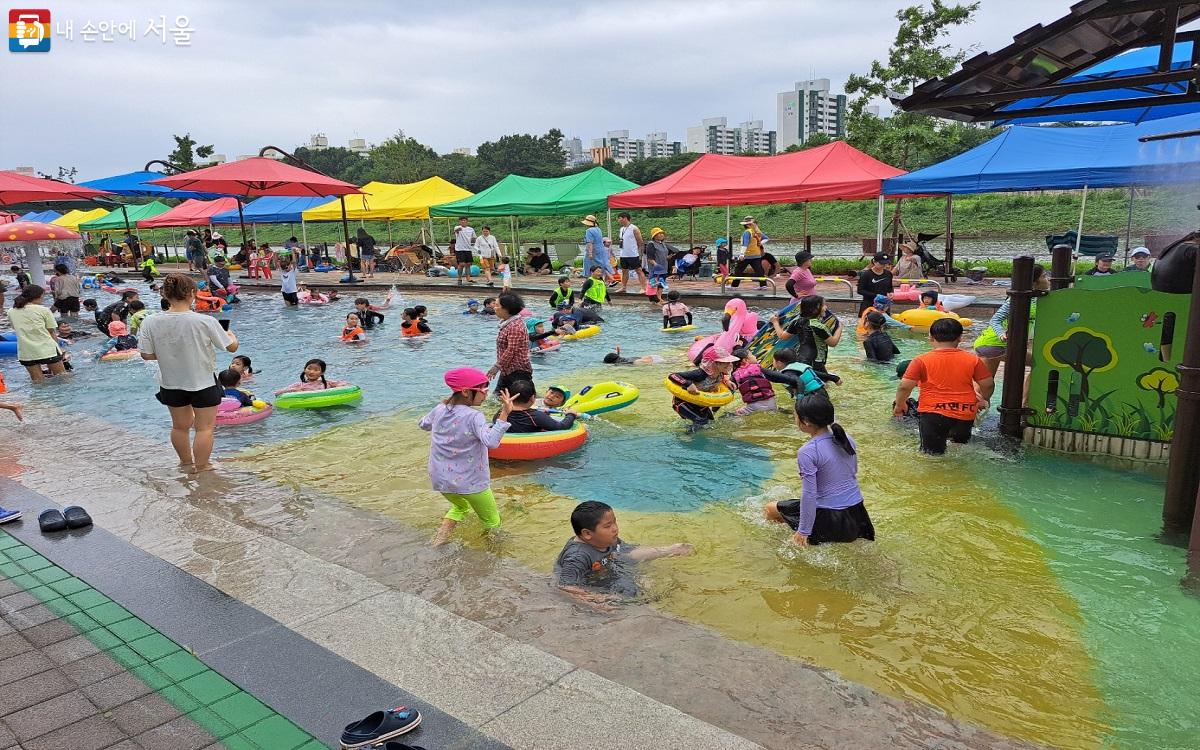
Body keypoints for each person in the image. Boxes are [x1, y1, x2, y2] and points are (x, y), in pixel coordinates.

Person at [138, 274, 239, 473]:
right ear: (193, 294)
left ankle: (185, 463)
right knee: (204, 428)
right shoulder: (204, 321)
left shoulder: (150, 321)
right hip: (203, 382)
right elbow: (231, 348)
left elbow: (147, 355)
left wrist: (170, 353)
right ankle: (202, 467)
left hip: (170, 383)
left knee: (179, 427)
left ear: (165, 294)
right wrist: (231, 336)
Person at [419, 367, 515, 546]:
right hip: (471, 482)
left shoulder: (440, 409)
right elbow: (491, 442)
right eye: (483, 390)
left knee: (460, 507)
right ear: (465, 392)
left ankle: (437, 542)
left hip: (441, 479)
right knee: (492, 521)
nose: (485, 395)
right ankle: (494, 558)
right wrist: (505, 412)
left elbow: (423, 424)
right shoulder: (474, 416)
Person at [763, 394, 875, 546]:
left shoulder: (808, 451)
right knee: (785, 510)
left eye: (796, 416)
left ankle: (784, 543)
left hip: (828, 516)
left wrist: (803, 531)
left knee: (770, 509)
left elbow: (809, 493)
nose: (795, 419)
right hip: (857, 513)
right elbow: (853, 471)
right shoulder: (846, 438)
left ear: (806, 422)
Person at [555, 501, 693, 604]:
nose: (615, 529)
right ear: (587, 534)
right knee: (631, 594)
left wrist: (666, 551)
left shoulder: (606, 540)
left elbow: (630, 552)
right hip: (592, 581)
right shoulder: (577, 557)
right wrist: (597, 601)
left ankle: (667, 551)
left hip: (609, 564)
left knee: (637, 569)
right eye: (608, 526)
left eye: (614, 522)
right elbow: (566, 586)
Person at [895, 318, 995, 455]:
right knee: (959, 450)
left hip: (932, 414)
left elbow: (904, 387)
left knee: (932, 456)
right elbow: (988, 384)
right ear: (960, 338)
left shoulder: (921, 360)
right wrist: (984, 398)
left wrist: (900, 405)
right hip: (964, 412)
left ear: (930, 336)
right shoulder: (973, 359)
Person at [973, 264, 1050, 377]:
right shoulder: (1018, 299)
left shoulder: (1037, 298)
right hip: (997, 344)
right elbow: (995, 319)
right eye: (1044, 276)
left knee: (986, 387)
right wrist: (1001, 334)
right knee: (1041, 363)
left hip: (987, 344)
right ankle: (1025, 396)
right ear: (1034, 283)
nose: (1048, 280)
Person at [771, 295, 843, 379]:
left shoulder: (797, 322)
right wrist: (839, 328)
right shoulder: (819, 326)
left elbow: (782, 336)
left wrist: (775, 322)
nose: (826, 308)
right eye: (823, 305)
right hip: (816, 361)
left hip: (800, 359)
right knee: (821, 386)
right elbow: (833, 343)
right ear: (815, 309)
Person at [6, 285, 67, 383]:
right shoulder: (43, 310)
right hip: (47, 349)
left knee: (38, 382)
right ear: (38, 296)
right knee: (63, 378)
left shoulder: (11, 311)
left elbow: (16, 329)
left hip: (26, 352)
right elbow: (51, 332)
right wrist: (59, 349)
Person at [668, 346, 737, 430]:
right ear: (714, 363)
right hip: (682, 403)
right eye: (726, 362)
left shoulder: (720, 374)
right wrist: (688, 384)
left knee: (711, 422)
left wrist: (727, 381)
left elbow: (721, 385)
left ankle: (688, 428)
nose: (730, 364)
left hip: (700, 403)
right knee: (701, 421)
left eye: (729, 361)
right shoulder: (700, 374)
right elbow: (673, 375)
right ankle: (687, 438)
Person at [487, 293, 534, 394]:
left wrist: (496, 366)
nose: (494, 308)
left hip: (517, 371)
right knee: (497, 398)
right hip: (507, 369)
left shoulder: (515, 327)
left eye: (497, 305)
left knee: (524, 399)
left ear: (506, 309)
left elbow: (511, 350)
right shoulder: (508, 323)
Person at [496, 379, 579, 432]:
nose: (552, 396)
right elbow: (562, 427)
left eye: (557, 396)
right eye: (552, 392)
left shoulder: (501, 413)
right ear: (533, 398)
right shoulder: (536, 416)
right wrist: (571, 415)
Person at [770, 347, 835, 398]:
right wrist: (834, 378)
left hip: (810, 397)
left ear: (779, 363)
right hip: (822, 392)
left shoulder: (787, 373)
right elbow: (818, 373)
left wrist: (800, 398)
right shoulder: (801, 366)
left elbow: (800, 382)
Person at [730, 349, 778, 416]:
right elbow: (779, 377)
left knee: (732, 414)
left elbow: (728, 393)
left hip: (752, 409)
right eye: (752, 354)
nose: (754, 356)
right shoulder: (760, 369)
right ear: (745, 360)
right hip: (772, 405)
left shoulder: (735, 376)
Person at [730, 216, 767, 289]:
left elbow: (745, 244)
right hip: (756, 255)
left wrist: (741, 254)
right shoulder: (757, 232)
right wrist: (760, 243)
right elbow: (766, 238)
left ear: (746, 225)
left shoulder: (747, 232)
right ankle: (763, 285)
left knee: (738, 270)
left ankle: (734, 286)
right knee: (759, 271)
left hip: (747, 255)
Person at [275, 359, 349, 394]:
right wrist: (294, 390)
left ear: (322, 373)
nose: (311, 372)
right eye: (309, 368)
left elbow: (345, 385)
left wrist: (333, 390)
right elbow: (277, 393)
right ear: (304, 369)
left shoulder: (328, 383)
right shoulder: (299, 385)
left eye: (316, 370)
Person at [615, 212, 645, 292]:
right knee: (624, 271)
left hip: (633, 254)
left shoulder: (634, 228)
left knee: (638, 270)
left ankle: (643, 288)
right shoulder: (622, 229)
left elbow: (640, 242)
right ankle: (623, 287)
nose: (618, 220)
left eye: (619, 218)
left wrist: (638, 253)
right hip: (623, 254)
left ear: (625, 218)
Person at [581, 214, 608, 282]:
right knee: (599, 265)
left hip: (593, 251)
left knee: (588, 266)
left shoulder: (589, 231)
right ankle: (601, 280)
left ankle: (588, 281)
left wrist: (590, 253)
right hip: (600, 250)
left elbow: (589, 242)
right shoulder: (598, 229)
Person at [453, 218, 476, 284]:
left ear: (467, 221)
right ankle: (459, 278)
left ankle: (468, 278)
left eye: (464, 220)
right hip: (460, 249)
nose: (463, 221)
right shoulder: (458, 227)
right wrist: (458, 230)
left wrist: (474, 244)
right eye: (462, 220)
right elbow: (455, 230)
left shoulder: (471, 229)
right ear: (460, 221)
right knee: (461, 264)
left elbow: (474, 238)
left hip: (468, 248)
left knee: (468, 264)